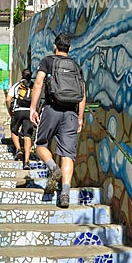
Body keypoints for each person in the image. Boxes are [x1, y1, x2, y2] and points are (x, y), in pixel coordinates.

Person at [29, 33, 86, 208]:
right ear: (69, 48)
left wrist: (33, 107)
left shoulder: (48, 61)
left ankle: (54, 169)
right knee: (68, 154)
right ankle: (65, 194)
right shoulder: (76, 66)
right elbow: (82, 94)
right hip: (71, 113)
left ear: (55, 46)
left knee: (40, 144)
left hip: (51, 109)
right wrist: (80, 118)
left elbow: (38, 83)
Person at [6, 69, 34, 170]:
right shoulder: (34, 86)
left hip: (18, 111)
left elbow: (8, 99)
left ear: (22, 76)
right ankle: (26, 162)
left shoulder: (17, 85)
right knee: (27, 136)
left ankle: (18, 149)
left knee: (14, 130)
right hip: (29, 112)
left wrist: (10, 110)